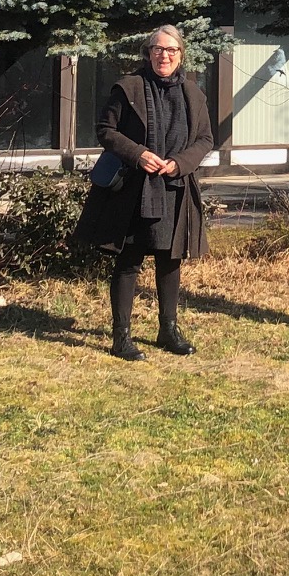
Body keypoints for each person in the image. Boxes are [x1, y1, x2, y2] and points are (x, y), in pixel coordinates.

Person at [72, 25, 214, 360]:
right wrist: (138, 154)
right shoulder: (129, 87)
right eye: (157, 49)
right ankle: (121, 338)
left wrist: (180, 163)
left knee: (170, 261)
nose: (164, 56)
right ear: (147, 53)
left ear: (180, 55)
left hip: (174, 186)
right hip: (134, 189)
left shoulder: (194, 93)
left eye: (171, 50)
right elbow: (105, 130)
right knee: (128, 262)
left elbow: (205, 139)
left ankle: (168, 331)